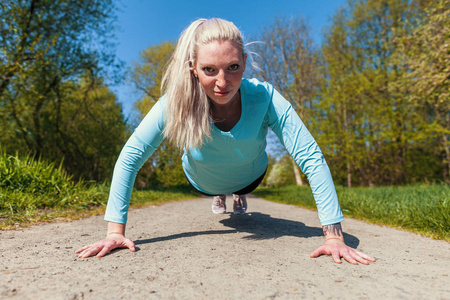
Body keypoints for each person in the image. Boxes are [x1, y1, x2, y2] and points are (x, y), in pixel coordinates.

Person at [76, 18, 375, 265]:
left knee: (240, 188)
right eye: (209, 70)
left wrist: (334, 236)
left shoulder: (265, 97)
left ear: (245, 63)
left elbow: (309, 156)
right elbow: (130, 157)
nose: (222, 82)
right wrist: (115, 231)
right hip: (201, 181)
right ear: (193, 67)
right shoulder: (174, 104)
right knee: (218, 193)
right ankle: (221, 196)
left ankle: (236, 194)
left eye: (232, 67)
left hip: (250, 177)